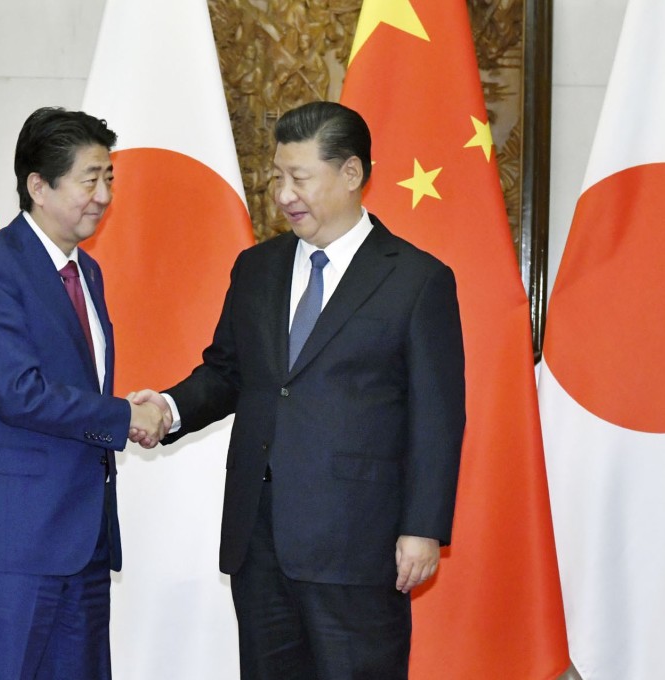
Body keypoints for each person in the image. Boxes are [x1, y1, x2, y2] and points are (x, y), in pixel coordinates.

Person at [130, 101, 465, 679]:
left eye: (300, 178)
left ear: (352, 174)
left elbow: (437, 415)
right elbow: (229, 372)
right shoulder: (256, 268)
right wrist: (169, 406)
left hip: (359, 543)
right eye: (277, 176)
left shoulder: (417, 279)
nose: (284, 194)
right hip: (259, 539)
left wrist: (423, 527)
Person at [0, 106, 166, 679]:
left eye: (109, 179)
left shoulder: (87, 272)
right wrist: (125, 416)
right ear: (38, 186)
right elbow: (18, 392)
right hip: (14, 543)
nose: (102, 195)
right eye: (89, 179)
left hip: (84, 541)